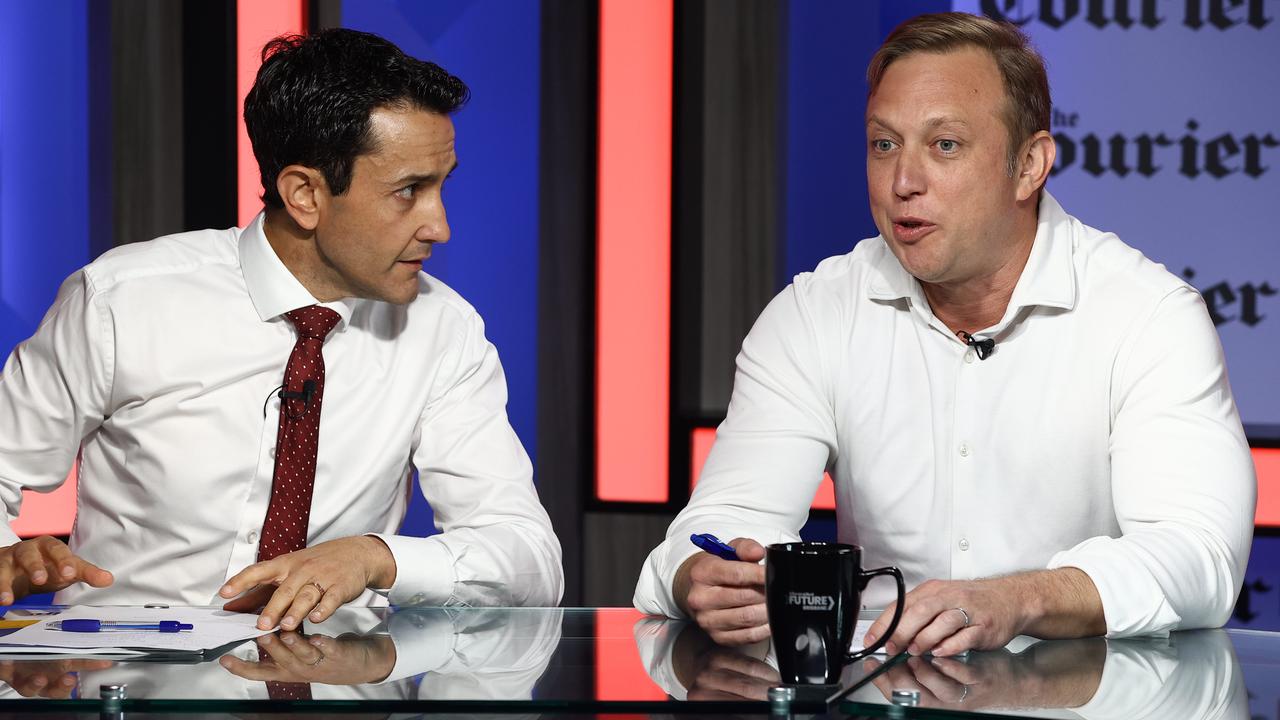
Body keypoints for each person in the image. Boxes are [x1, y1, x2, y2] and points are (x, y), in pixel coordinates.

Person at [633, 12, 1255, 656]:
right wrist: (701, 576)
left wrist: (1017, 598)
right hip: (874, 692)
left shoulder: (1147, 315)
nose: (904, 182)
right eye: (884, 145)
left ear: (1030, 164)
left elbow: (1200, 559)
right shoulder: (815, 314)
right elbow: (720, 522)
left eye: (945, 145)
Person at [0, 29, 562, 630]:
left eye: (441, 185)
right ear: (304, 195)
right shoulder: (122, 301)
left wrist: (378, 557)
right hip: (125, 681)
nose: (440, 226)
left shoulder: (445, 332)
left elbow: (530, 560)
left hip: (334, 682)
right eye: (409, 192)